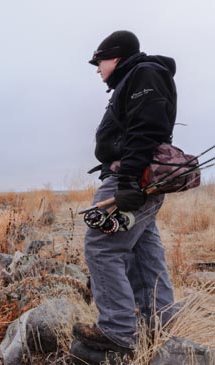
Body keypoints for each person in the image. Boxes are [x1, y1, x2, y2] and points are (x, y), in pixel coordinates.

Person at [70, 30, 177, 364]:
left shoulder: (143, 74)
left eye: (98, 61)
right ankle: (159, 324)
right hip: (132, 177)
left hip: (131, 180)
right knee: (145, 250)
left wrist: (128, 179)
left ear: (115, 56)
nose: (97, 68)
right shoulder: (135, 78)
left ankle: (117, 331)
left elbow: (147, 129)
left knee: (101, 247)